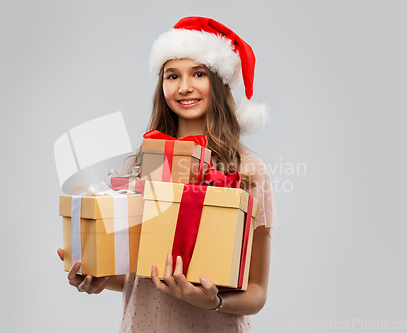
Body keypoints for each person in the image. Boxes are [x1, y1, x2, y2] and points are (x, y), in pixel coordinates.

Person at [57, 16, 278, 332]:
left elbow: (257, 292)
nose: (185, 86)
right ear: (162, 86)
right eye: (172, 76)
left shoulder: (248, 169)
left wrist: (213, 301)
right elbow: (140, 273)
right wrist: (99, 277)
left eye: (198, 73)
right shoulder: (143, 163)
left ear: (219, 81)